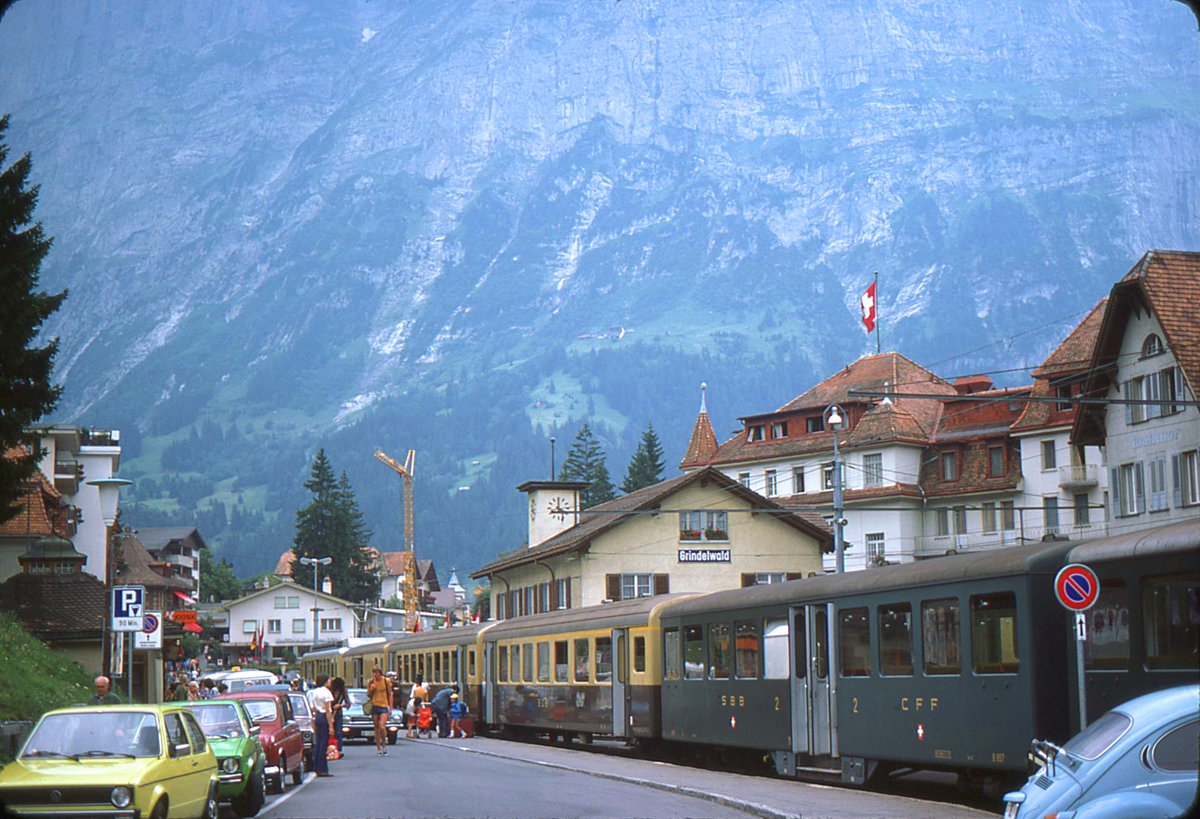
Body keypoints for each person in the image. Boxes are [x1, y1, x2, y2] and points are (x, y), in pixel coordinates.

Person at [308, 675, 335, 777]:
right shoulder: (327, 692)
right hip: (323, 717)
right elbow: (328, 710)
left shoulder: (315, 692)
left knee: (318, 743)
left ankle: (316, 767)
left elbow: (313, 708)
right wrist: (331, 726)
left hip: (318, 716)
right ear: (325, 681)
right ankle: (323, 769)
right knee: (324, 743)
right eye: (328, 680)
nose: (330, 682)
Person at [366, 666, 394, 756]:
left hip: (383, 706)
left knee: (382, 726)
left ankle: (384, 745)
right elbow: (368, 695)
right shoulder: (371, 681)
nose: (375, 674)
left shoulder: (386, 681)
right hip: (375, 705)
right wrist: (371, 689)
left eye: (377, 672)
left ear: (380, 673)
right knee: (376, 728)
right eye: (374, 673)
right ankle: (378, 748)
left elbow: (390, 694)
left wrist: (390, 707)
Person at [330, 676, 347, 756]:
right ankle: (331, 748)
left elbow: (348, 704)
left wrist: (340, 705)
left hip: (338, 713)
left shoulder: (343, 692)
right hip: (330, 713)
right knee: (331, 731)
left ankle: (338, 749)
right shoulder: (329, 691)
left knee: (339, 732)